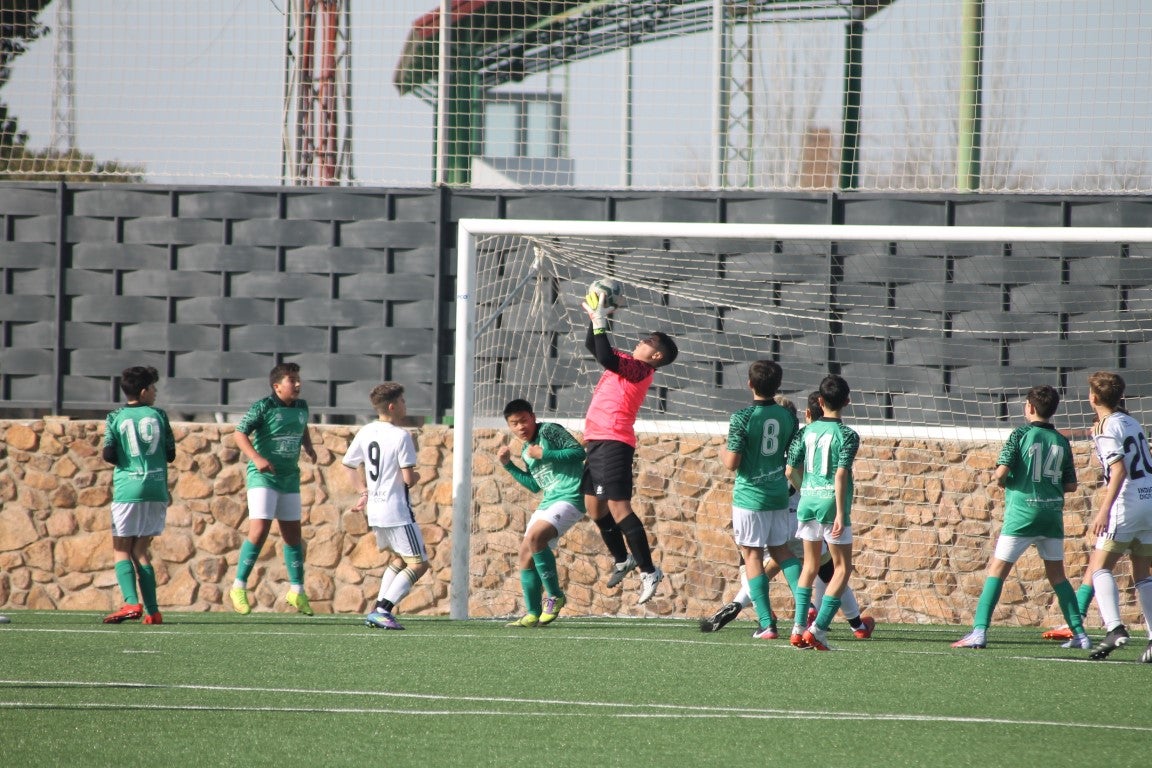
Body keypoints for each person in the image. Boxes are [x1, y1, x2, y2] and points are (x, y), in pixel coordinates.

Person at [702, 392, 875, 641]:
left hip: (772, 508)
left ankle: (760, 613)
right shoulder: (811, 438)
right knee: (830, 569)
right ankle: (855, 625)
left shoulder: (783, 445)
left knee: (753, 561)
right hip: (807, 512)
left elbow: (787, 469)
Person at [951, 385, 1086, 650]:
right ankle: (1080, 634)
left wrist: (1008, 482)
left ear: (1030, 408)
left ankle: (979, 631)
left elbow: (1000, 474)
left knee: (997, 572)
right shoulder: (1061, 440)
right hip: (1051, 517)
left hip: (1022, 515)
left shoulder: (1021, 434)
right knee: (1058, 577)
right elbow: (1071, 485)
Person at [579, 283, 678, 605]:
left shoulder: (641, 369)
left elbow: (605, 354)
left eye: (648, 343)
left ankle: (649, 571)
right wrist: (598, 317)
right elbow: (594, 347)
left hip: (613, 443)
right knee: (595, 508)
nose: (641, 342)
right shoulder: (627, 359)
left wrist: (600, 319)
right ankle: (623, 558)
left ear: (657, 356)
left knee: (619, 508)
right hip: (596, 442)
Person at [719, 361, 800, 639]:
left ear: (750, 384)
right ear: (777, 386)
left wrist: (722, 453)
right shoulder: (789, 417)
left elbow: (731, 463)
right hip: (778, 493)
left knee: (752, 555)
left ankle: (767, 623)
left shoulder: (742, 417)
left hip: (750, 497)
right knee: (782, 552)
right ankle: (802, 618)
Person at [229, 362, 317, 616]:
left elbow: (303, 426)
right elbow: (239, 433)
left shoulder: (301, 407)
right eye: (292, 380)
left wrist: (308, 445)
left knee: (292, 535)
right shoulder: (263, 406)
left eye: (298, 379)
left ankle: (297, 591)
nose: (298, 384)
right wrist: (256, 458)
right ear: (277, 386)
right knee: (260, 528)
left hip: (289, 477)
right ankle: (238, 587)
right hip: (263, 477)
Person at [343, 382, 428, 630]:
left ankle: (378, 606)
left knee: (401, 559)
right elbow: (409, 479)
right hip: (397, 510)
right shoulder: (401, 436)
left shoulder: (366, 431)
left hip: (376, 510)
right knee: (419, 563)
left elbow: (349, 464)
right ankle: (383, 609)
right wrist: (418, 477)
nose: (405, 405)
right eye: (402, 401)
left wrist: (363, 491)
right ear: (392, 406)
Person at [496, 399, 587, 627]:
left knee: (536, 538)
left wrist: (545, 454)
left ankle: (555, 596)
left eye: (524, 420)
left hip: (571, 496)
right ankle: (532, 613)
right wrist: (509, 465)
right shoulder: (526, 450)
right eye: (514, 423)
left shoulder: (550, 430)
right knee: (525, 553)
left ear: (533, 417)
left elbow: (578, 452)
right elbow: (536, 485)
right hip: (549, 501)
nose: (520, 427)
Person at [1082, 371, 1152, 661]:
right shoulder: (1131, 421)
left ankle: (1114, 628)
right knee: (1143, 573)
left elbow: (1119, 470)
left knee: (1099, 567)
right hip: (1149, 499)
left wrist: (1103, 511)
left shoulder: (1106, 426)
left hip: (1127, 504)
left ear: (1094, 397)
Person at [785, 374, 858, 650]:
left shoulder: (805, 432)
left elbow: (790, 470)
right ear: (847, 402)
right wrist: (840, 512)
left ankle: (798, 627)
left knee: (810, 566)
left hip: (808, 502)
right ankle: (819, 629)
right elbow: (840, 475)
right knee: (842, 568)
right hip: (831, 504)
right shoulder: (848, 435)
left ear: (819, 401)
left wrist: (806, 491)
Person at [101, 365, 176, 625]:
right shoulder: (160, 416)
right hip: (156, 488)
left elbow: (109, 455)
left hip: (128, 489)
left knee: (121, 548)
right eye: (153, 388)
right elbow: (170, 453)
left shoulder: (115, 417)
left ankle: (132, 603)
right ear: (143, 392)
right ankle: (153, 611)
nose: (155, 392)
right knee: (141, 549)